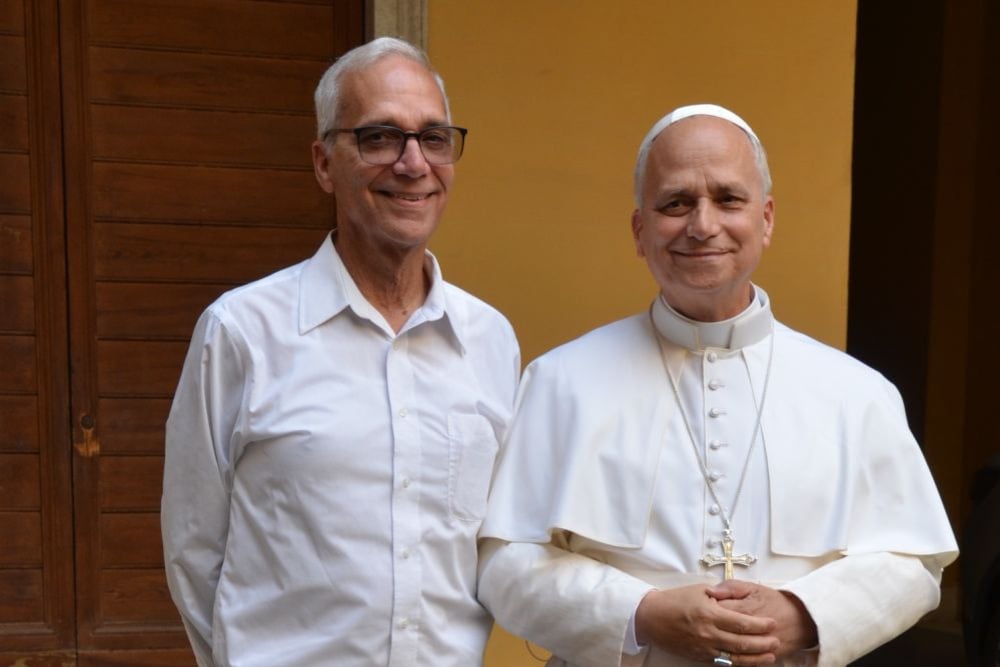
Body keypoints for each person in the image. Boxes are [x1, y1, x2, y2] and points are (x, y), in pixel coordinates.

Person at [477, 103, 957, 667]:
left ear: (766, 219)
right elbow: (504, 565)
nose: (703, 226)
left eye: (728, 199)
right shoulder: (561, 381)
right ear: (640, 231)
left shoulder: (857, 393)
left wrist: (805, 613)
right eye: (675, 203)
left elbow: (912, 562)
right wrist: (640, 614)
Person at [161, 37, 520, 667]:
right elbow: (194, 547)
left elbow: (497, 545)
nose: (413, 163)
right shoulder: (243, 331)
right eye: (380, 137)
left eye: (434, 138)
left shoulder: (489, 339)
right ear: (324, 162)